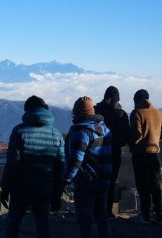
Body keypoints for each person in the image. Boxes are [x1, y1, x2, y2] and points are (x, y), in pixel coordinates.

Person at [0, 95, 65, 238]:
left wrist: (5, 187)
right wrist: (57, 193)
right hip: (45, 187)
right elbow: (60, 167)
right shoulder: (57, 134)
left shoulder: (19, 131)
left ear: (27, 111)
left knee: (14, 223)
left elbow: (12, 163)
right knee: (43, 224)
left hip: (21, 187)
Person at [65, 96, 112, 238]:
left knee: (85, 218)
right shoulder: (104, 128)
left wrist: (67, 178)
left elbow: (76, 160)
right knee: (101, 215)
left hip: (86, 181)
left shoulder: (81, 131)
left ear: (79, 112)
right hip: (103, 179)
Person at [129, 89, 162, 224]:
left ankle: (145, 215)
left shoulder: (136, 113)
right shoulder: (159, 113)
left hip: (140, 155)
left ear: (136, 100)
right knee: (155, 186)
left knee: (143, 186)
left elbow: (137, 135)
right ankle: (159, 214)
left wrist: (132, 144)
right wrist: (154, 138)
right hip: (155, 155)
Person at [94, 86, 131, 218]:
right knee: (111, 182)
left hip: (95, 151)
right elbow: (125, 137)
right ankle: (108, 210)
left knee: (95, 180)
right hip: (114, 152)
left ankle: (95, 208)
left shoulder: (96, 111)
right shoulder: (121, 115)